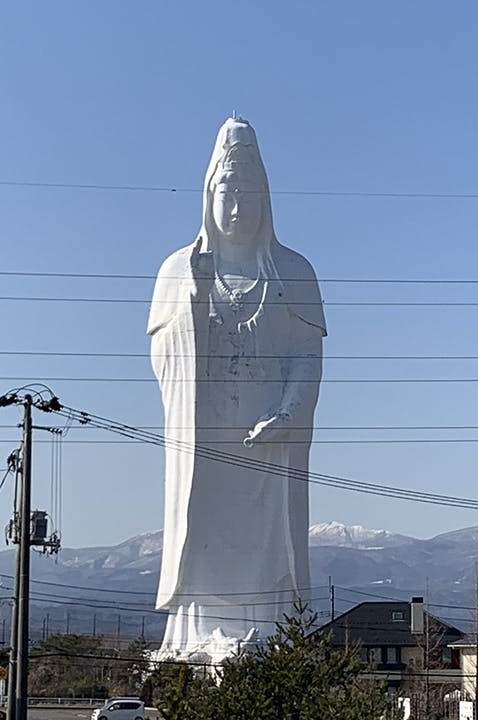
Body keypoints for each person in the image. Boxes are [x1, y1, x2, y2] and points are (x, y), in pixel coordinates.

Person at [146, 117, 326, 662]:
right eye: (228, 192)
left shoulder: (293, 271)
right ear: (209, 197)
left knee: (270, 534)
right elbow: (161, 357)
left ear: (266, 199)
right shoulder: (180, 270)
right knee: (201, 524)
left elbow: (308, 355)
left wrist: (288, 411)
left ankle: (268, 632)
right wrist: (194, 301)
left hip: (269, 438)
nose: (238, 207)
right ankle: (196, 635)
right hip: (205, 442)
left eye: (250, 193)